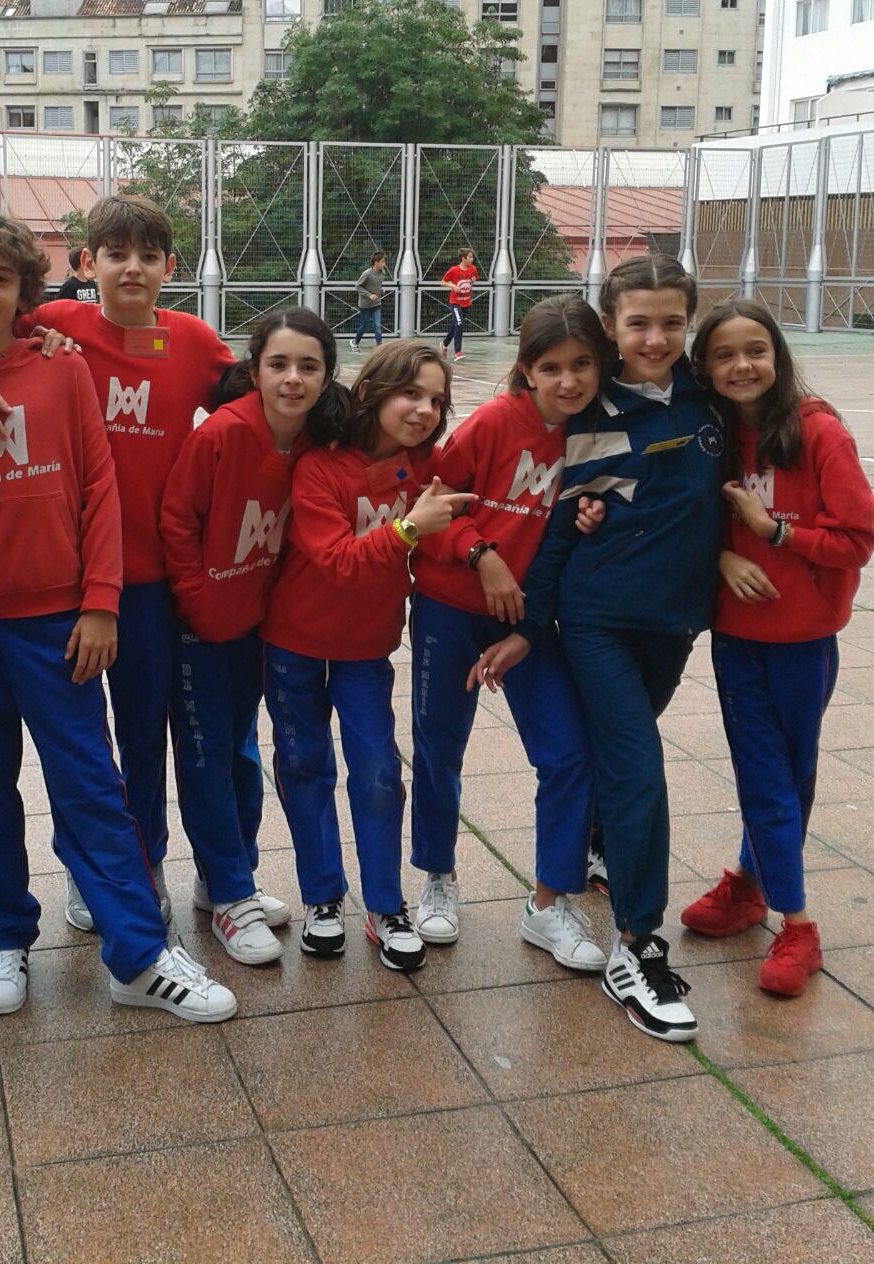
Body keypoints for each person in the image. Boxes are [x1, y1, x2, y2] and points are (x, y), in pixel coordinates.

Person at [0, 209, 235, 1022]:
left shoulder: (61, 366)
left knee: (89, 782)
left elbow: (98, 487)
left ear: (26, 291)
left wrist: (98, 602)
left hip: (56, 621)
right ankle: (3, 934)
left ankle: (138, 955)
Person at [476, 255, 723, 1044]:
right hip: (597, 620)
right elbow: (557, 529)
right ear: (611, 325)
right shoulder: (589, 413)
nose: (655, 338)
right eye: (637, 323)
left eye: (671, 322)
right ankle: (638, 947)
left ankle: (596, 845)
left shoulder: (709, 396)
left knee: (623, 761)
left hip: (674, 623)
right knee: (635, 767)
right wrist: (528, 627)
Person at [411, 296, 611, 973]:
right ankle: (437, 877)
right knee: (439, 747)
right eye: (551, 367)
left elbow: (573, 541)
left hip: (529, 622)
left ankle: (548, 901)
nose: (567, 381)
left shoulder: (596, 435)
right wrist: (481, 554)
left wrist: (529, 621)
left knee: (567, 754)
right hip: (448, 606)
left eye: (581, 365)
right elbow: (435, 506)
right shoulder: (495, 422)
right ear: (526, 370)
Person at [682, 301, 874, 996]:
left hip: (804, 643)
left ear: (778, 355)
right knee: (765, 775)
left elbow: (858, 539)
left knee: (785, 777)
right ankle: (763, 897)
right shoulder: (711, 436)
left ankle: (784, 915)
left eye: (756, 350)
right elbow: (684, 524)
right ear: (704, 368)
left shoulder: (816, 431)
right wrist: (722, 559)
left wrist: (776, 533)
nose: (742, 366)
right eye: (724, 355)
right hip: (738, 640)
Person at [263, 341, 467, 972]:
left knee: (378, 771)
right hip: (294, 642)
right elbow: (338, 560)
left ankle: (385, 905)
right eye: (410, 394)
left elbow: (473, 507)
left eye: (436, 400)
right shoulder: (320, 466)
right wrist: (409, 528)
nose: (424, 410)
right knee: (304, 766)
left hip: (366, 649)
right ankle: (323, 898)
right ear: (371, 393)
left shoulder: (426, 466)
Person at [160, 309, 346, 965]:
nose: (293, 379)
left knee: (240, 751)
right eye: (279, 365)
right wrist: (196, 601)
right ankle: (231, 894)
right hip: (203, 627)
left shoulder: (319, 440)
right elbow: (177, 520)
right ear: (254, 370)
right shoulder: (224, 433)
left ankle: (226, 877)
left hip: (256, 624)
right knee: (206, 756)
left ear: (326, 376)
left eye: (308, 366)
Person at [439, 249, 478, 362]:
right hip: (455, 302)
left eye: (472, 257)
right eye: (470, 257)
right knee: (459, 324)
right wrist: (453, 286)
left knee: (456, 325)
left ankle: (444, 344)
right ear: (463, 258)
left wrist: (473, 280)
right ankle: (457, 352)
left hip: (466, 303)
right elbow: (442, 282)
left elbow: (474, 278)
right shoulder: (454, 270)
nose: (472, 259)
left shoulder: (473, 269)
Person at [351, 251, 387, 350]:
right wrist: (369, 295)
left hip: (377, 304)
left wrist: (381, 290)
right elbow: (358, 287)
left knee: (377, 325)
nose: (384, 264)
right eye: (382, 262)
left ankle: (379, 348)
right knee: (364, 325)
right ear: (376, 263)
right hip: (365, 305)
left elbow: (376, 286)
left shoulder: (383, 273)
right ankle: (355, 342)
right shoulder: (367, 274)